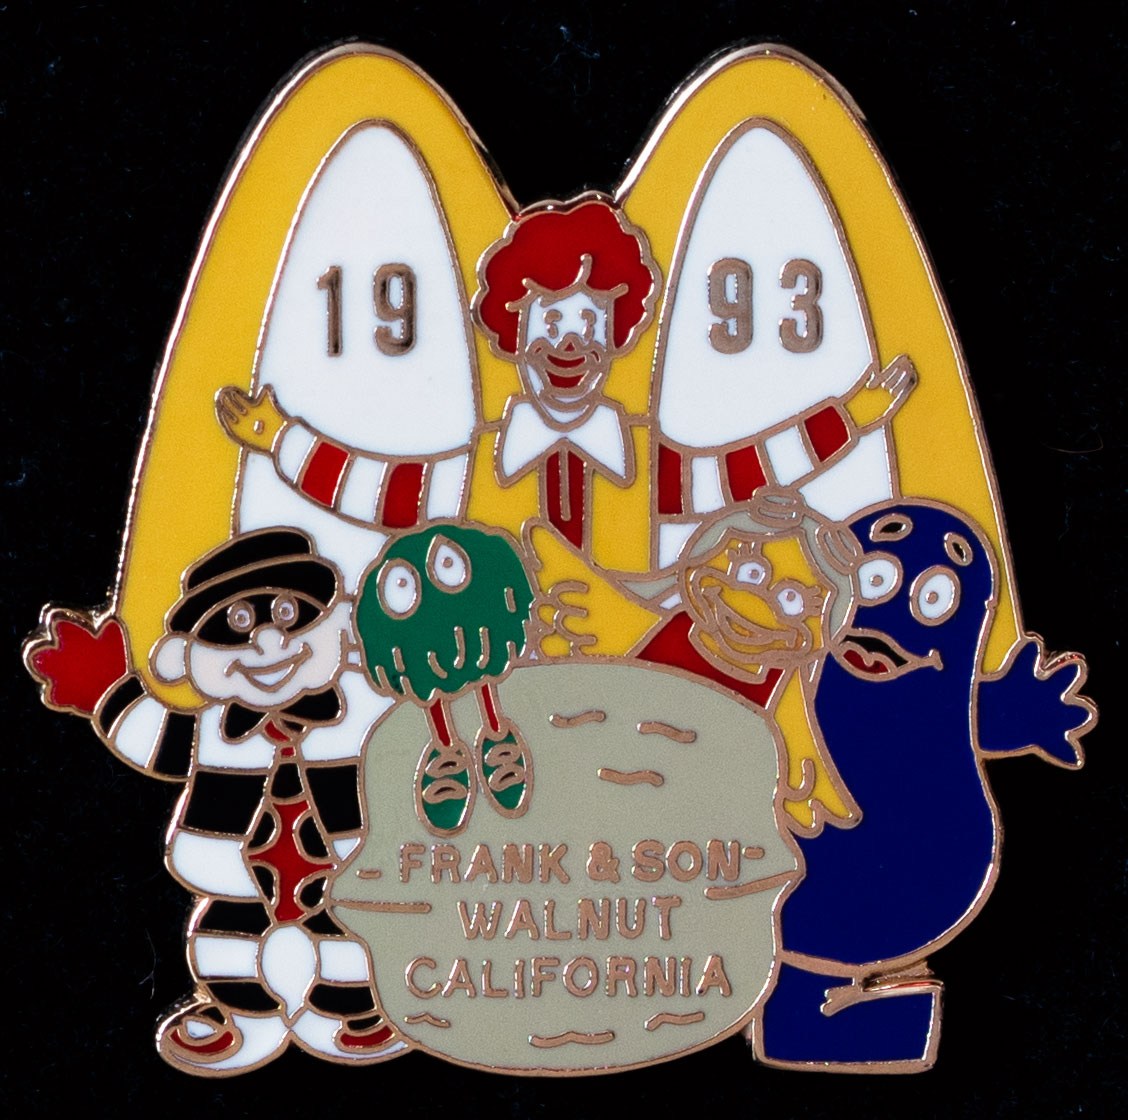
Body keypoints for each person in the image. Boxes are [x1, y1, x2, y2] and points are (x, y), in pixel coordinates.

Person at [25, 529, 405, 1074]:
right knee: (225, 939)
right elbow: (151, 737)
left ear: (338, 623)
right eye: (237, 624)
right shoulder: (209, 730)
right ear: (188, 656)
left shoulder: (361, 713)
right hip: (233, 872)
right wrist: (105, 689)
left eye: (290, 613)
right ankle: (244, 1018)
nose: (269, 642)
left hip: (346, 864)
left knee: (352, 930)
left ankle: (355, 1015)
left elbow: (415, 734)